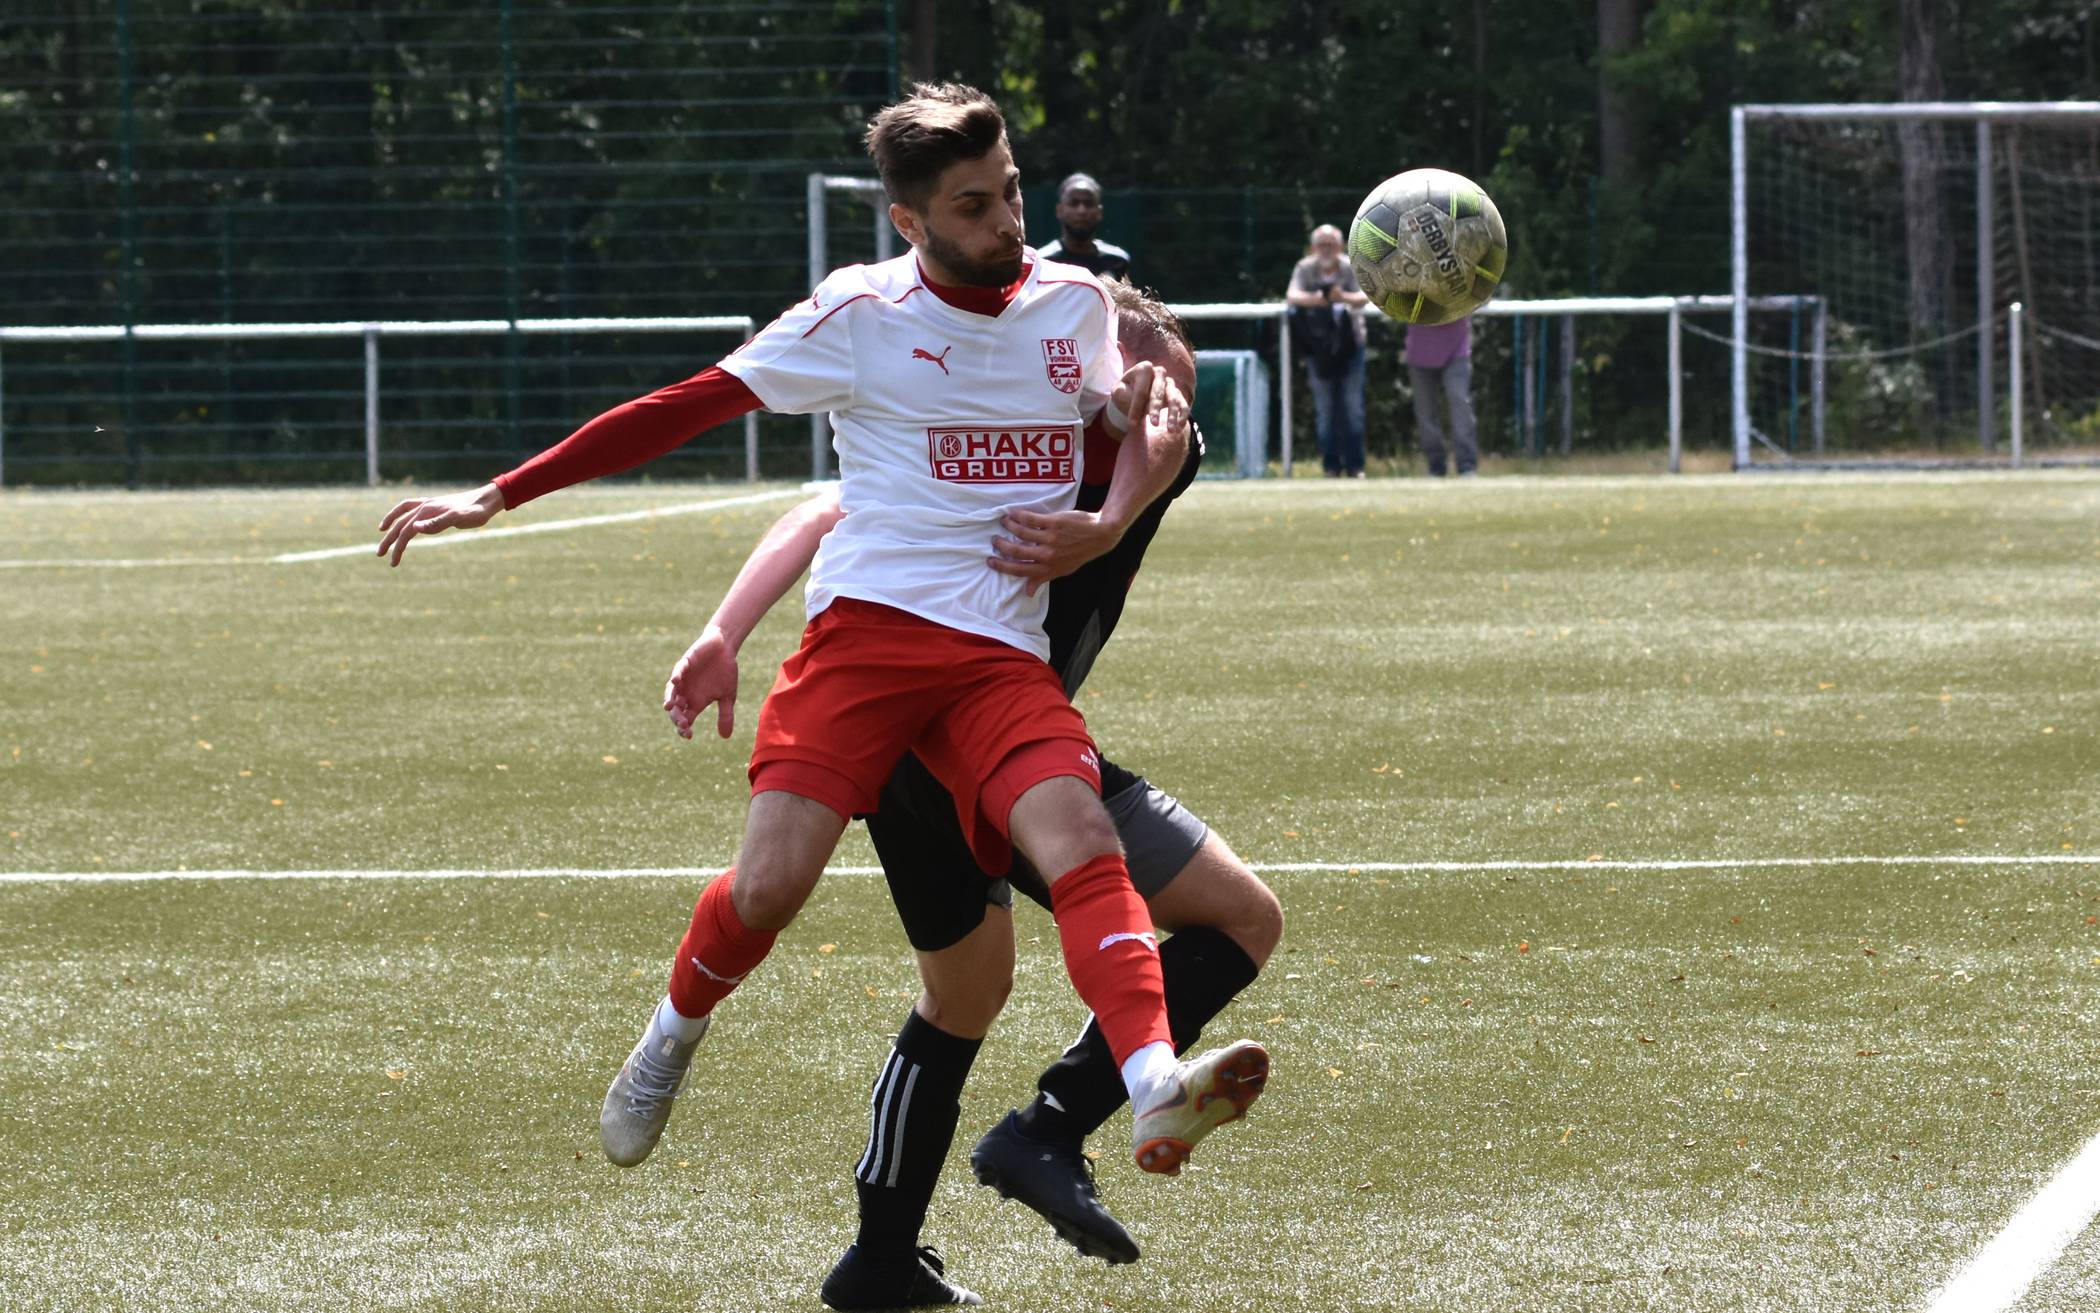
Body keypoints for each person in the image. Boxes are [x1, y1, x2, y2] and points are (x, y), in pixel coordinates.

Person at [371, 78, 1267, 1290]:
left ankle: (1152, 1083)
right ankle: (673, 1032)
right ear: (909, 221)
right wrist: (502, 491)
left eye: (1009, 191)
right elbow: (683, 406)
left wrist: (1130, 468)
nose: (1009, 220)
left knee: (1076, 837)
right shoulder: (858, 314)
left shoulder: (1070, 307)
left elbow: (1139, 423)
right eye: (975, 204)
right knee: (770, 887)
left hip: (996, 661)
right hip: (866, 643)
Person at [662, 281, 1282, 1307]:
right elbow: (833, 505)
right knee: (1222, 916)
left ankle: (882, 1255)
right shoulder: (1009, 428)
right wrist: (725, 628)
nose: (1154, 403)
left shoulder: (1150, 449)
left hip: (997, 740)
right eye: (1130, 379)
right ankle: (1047, 1128)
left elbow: (1161, 444)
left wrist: (1124, 482)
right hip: (943, 750)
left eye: (1169, 391)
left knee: (969, 989)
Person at [1283, 225, 1368, 478]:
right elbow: (1292, 295)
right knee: (1325, 410)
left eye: (1331, 244)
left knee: (1353, 408)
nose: (1326, 249)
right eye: (1321, 245)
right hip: (1318, 350)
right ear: (1313, 248)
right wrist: (1318, 299)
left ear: (1340, 247)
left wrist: (1343, 297)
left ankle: (1356, 466)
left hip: (1352, 347)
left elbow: (1367, 295)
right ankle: (1331, 467)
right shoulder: (1305, 268)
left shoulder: (1351, 266)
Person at [1407, 316, 1478, 477]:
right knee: (1425, 412)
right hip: (1419, 350)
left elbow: (1483, 296)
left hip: (1457, 349)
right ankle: (1436, 466)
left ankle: (1466, 465)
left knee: (1460, 402)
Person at [1035, 172, 1132, 281]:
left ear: (1099, 212)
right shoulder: (1043, 262)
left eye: (1089, 203)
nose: (1082, 211)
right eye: (1073, 203)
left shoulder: (1117, 261)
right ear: (1059, 210)